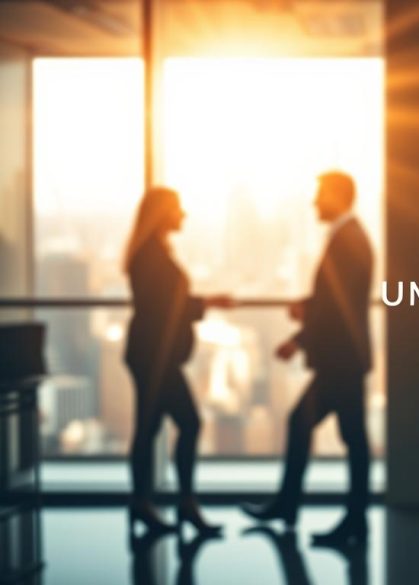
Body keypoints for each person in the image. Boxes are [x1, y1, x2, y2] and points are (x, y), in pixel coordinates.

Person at [242, 171, 374, 548]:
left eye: (321, 195)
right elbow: (335, 298)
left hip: (340, 358)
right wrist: (309, 306)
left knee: (321, 429)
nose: (315, 202)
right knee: (346, 436)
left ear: (338, 196)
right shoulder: (349, 237)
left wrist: (298, 340)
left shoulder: (348, 241)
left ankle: (301, 508)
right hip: (344, 357)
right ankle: (344, 517)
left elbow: (337, 307)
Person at [123, 186, 233, 535]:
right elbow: (165, 307)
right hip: (155, 357)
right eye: (176, 209)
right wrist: (207, 303)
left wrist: (204, 303)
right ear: (161, 214)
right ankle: (178, 503)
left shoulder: (151, 251)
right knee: (185, 423)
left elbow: (167, 303)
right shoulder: (150, 255)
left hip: (154, 355)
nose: (182, 215)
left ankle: (147, 503)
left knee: (151, 428)